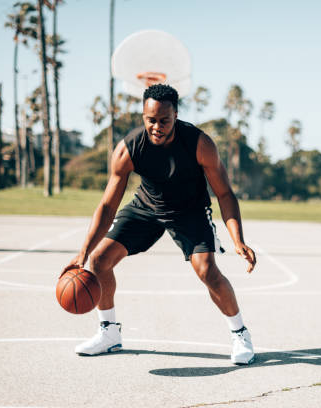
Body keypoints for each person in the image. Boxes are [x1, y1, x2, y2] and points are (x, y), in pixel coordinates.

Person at [63, 84, 257, 365]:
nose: (156, 126)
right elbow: (107, 206)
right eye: (150, 119)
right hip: (147, 207)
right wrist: (83, 252)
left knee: (208, 272)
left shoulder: (199, 143)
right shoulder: (128, 149)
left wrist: (237, 240)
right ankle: (109, 333)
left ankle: (240, 334)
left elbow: (225, 193)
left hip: (189, 211)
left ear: (176, 115)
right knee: (98, 260)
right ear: (143, 115)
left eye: (164, 120)